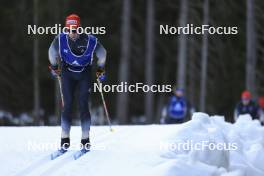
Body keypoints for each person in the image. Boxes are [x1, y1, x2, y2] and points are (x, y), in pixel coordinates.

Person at [48, 14, 107, 153]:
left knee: (83, 105)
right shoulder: (60, 39)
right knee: (67, 105)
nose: (71, 33)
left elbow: (102, 53)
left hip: (84, 74)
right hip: (67, 73)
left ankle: (85, 141)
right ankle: (64, 141)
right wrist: (54, 66)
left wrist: (100, 69)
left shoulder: (90, 40)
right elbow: (51, 51)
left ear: (79, 28)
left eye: (74, 30)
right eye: (68, 30)